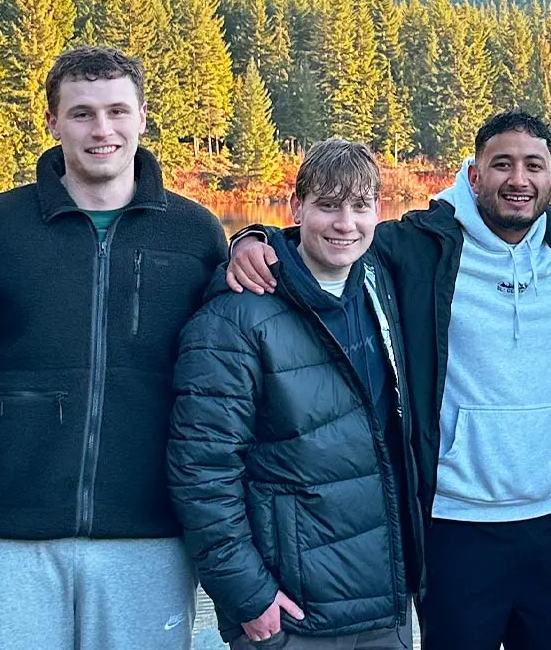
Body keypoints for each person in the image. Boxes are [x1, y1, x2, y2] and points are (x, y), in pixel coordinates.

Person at [225, 110, 551, 650]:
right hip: (455, 526)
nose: (518, 180)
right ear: (474, 176)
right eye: (502, 164)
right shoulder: (418, 247)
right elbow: (332, 238)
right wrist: (253, 237)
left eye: (533, 166)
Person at [0, 46, 227, 650]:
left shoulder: (195, 233)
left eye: (116, 111)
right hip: (3, 535)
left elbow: (231, 380)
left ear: (142, 118)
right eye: (81, 114)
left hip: (150, 535)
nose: (101, 130)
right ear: (52, 123)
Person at [169, 139, 417, 650]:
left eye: (359, 206)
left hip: (385, 604)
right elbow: (201, 470)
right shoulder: (233, 318)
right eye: (328, 206)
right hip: (291, 613)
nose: (345, 223)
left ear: (379, 211)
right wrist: (246, 594)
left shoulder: (379, 284)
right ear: (296, 208)